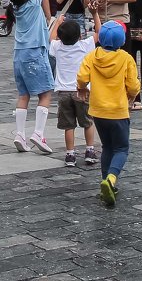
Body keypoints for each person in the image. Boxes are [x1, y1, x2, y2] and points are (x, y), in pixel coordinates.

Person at [77, 21, 140, 207]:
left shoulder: (92, 56)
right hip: (118, 111)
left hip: (98, 111)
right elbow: (133, 85)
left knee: (107, 147)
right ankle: (111, 179)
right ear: (121, 41)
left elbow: (81, 77)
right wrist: (132, 95)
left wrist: (81, 88)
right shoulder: (126, 58)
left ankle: (105, 182)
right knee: (121, 148)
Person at [6, 0, 55, 154]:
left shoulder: (16, 6)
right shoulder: (34, 3)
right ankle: (38, 133)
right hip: (35, 52)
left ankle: (19, 134)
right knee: (46, 93)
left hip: (19, 54)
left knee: (23, 94)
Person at [48, 11, 100, 168]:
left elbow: (51, 38)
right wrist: (95, 14)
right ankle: (90, 150)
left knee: (68, 125)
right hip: (81, 90)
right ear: (80, 36)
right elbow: (99, 33)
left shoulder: (57, 47)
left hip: (63, 92)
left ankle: (70, 154)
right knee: (88, 122)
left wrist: (57, 22)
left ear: (61, 37)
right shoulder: (84, 46)